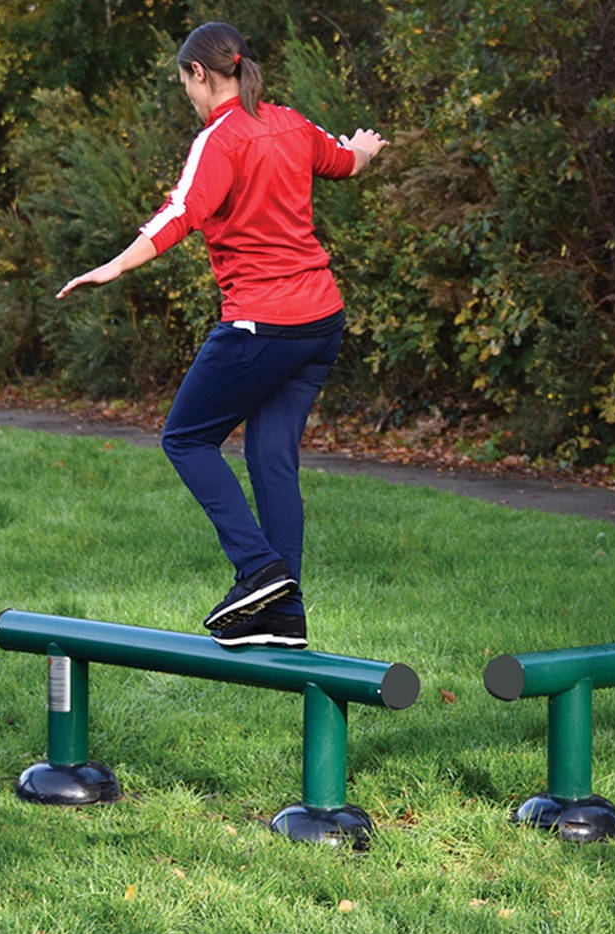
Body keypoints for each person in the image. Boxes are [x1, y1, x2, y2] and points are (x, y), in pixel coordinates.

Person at [57, 21, 387, 649]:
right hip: (321, 321)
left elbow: (180, 212)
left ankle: (259, 570)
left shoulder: (220, 139)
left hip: (262, 323)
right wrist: (367, 148)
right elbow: (344, 162)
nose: (187, 92)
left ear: (200, 74)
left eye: (185, 81)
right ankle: (284, 614)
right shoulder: (289, 121)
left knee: (185, 438)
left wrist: (114, 266)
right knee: (270, 458)